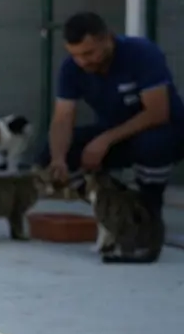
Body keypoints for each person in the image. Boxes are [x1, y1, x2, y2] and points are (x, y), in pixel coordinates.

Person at [40, 11, 184, 225]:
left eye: (89, 53)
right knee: (48, 153)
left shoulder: (141, 53)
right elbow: (62, 119)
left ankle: (150, 211)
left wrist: (104, 140)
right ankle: (116, 202)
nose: (82, 61)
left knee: (153, 145)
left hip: (164, 132)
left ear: (108, 38)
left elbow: (157, 113)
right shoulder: (71, 68)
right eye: (75, 55)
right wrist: (58, 158)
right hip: (114, 134)